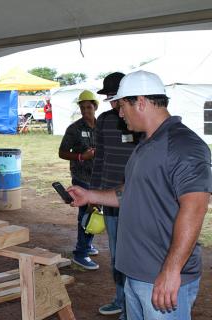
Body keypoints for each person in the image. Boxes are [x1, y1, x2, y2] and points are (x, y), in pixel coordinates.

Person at [68, 70, 212, 320]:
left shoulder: (183, 145)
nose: (120, 113)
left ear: (141, 102)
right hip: (135, 273)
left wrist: (171, 270)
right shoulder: (145, 143)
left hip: (160, 279)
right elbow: (130, 192)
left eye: (122, 105)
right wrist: (90, 195)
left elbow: (195, 208)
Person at [92, 72, 139, 319]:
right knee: (117, 254)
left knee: (136, 254)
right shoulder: (104, 121)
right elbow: (99, 158)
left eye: (115, 97)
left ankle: (135, 305)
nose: (112, 103)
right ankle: (120, 299)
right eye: (109, 98)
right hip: (109, 199)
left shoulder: (140, 122)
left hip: (136, 200)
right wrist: (95, 193)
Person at [58, 90, 99, 270]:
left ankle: (87, 245)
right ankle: (80, 253)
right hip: (82, 178)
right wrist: (82, 156)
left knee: (95, 212)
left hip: (99, 178)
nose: (85, 111)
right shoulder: (74, 129)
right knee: (86, 214)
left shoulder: (102, 126)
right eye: (82, 107)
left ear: (95, 107)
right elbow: (62, 152)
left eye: (88, 107)